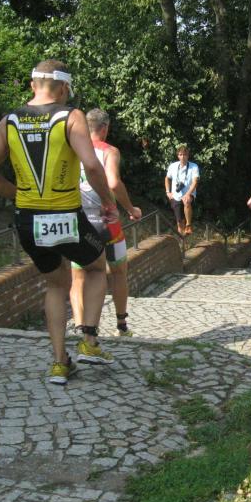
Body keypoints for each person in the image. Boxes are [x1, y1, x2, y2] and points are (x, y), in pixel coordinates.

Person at [0, 59, 116, 386]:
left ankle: (59, 363)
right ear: (63, 88)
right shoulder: (70, 116)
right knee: (96, 267)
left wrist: (17, 194)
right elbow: (93, 166)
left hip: (28, 220)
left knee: (55, 284)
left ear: (32, 85)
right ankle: (89, 341)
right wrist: (108, 203)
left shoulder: (8, 121)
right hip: (66, 214)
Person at [70, 109, 142, 338]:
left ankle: (80, 327)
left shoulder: (72, 149)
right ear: (105, 128)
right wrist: (131, 209)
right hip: (107, 223)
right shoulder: (109, 151)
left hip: (80, 221)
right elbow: (113, 182)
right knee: (119, 272)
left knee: (79, 276)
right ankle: (121, 325)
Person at [164, 144, 199, 235]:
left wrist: (188, 193)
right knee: (179, 223)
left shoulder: (194, 166)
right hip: (176, 195)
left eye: (185, 154)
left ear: (188, 155)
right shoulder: (173, 166)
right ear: (178, 156)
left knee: (187, 201)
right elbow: (167, 178)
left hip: (189, 192)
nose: (183, 157)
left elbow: (195, 182)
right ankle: (182, 240)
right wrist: (168, 192)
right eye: (180, 154)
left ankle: (188, 225)